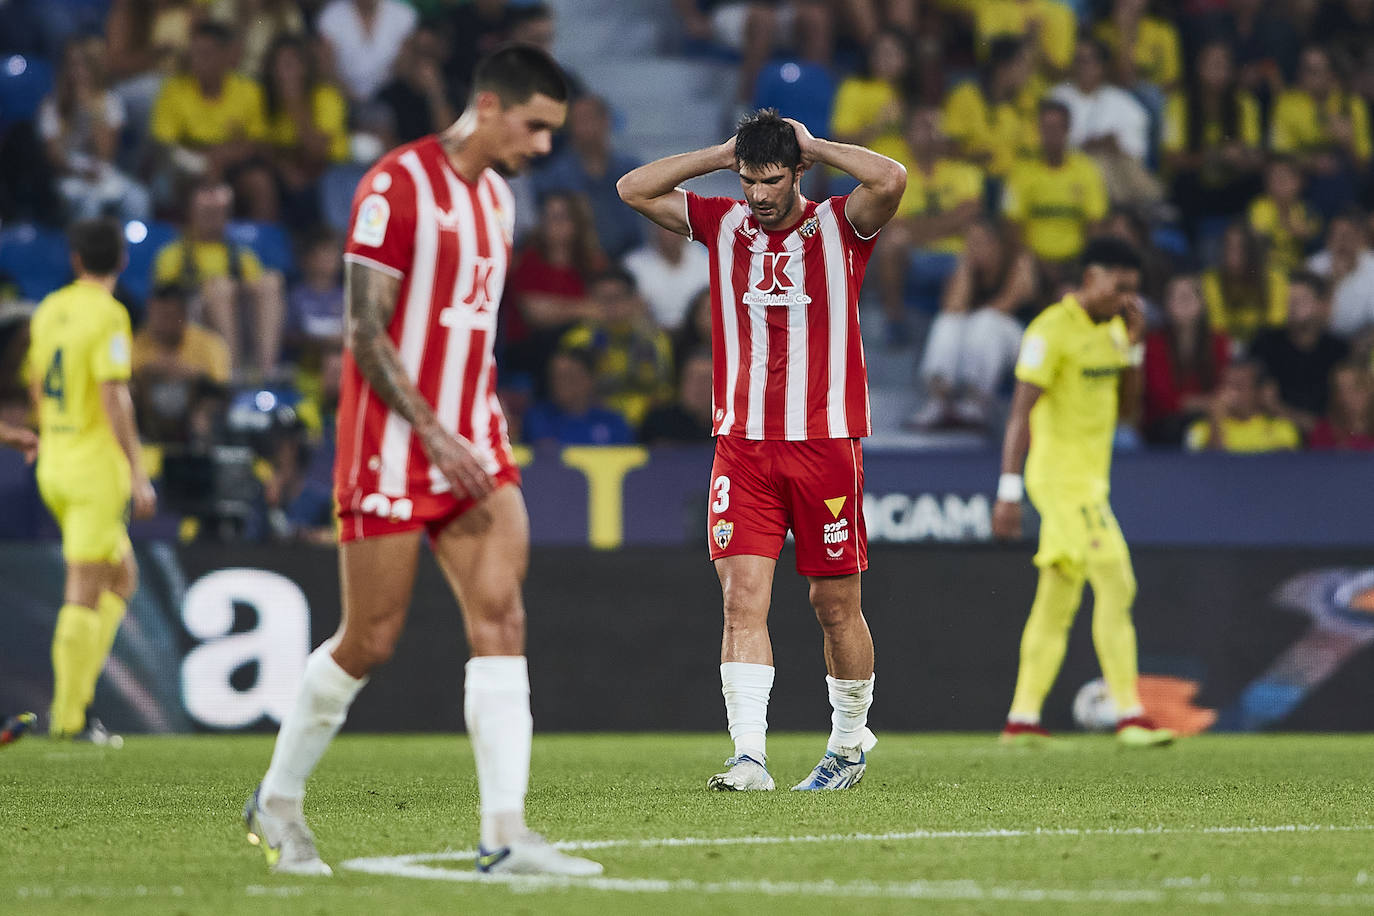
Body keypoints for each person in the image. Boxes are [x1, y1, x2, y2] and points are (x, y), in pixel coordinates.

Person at [242, 44, 600, 879]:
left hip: (473, 440)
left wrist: (469, 430)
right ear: (489, 104)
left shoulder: (501, 202)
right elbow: (364, 333)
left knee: (501, 617)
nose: (544, 146)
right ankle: (279, 797)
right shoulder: (395, 186)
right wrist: (434, 434)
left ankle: (505, 831)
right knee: (370, 639)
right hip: (394, 446)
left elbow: (468, 328)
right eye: (536, 126)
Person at [617, 109, 906, 791]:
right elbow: (633, 188)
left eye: (771, 179)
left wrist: (818, 144)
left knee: (834, 607)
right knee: (741, 601)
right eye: (748, 179)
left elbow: (891, 179)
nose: (758, 194)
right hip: (742, 447)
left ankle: (846, 745)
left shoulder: (840, 224)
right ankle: (749, 757)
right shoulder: (721, 223)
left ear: (799, 171)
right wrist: (717, 155)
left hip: (825, 445)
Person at [991, 236, 1173, 748]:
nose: (1127, 300)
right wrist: (1008, 492)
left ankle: (1021, 719)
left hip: (1093, 482)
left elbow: (1131, 411)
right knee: (1117, 582)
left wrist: (1134, 347)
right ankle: (1130, 715)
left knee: (1057, 601)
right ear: (1090, 278)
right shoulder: (1050, 331)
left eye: (1134, 291)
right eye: (1119, 288)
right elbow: (1020, 414)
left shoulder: (1117, 329)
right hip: (1059, 482)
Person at [25, 219, 157, 744]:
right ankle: (69, 721)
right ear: (121, 262)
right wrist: (139, 470)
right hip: (93, 468)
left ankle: (75, 706)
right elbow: (113, 393)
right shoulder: (110, 314)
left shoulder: (49, 307)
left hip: (54, 460)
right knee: (83, 588)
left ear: (77, 259)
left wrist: (51, 436)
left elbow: (36, 383)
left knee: (122, 578)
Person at [908, 218, 1036, 430]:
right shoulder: (966, 267)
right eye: (970, 242)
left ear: (996, 243)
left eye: (980, 241)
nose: (973, 248)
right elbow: (952, 307)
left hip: (1022, 342)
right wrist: (965, 268)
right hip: (978, 340)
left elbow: (1007, 304)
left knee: (986, 320)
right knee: (948, 322)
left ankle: (976, 402)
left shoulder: (1019, 261)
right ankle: (938, 400)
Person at [152, 180, 286, 377]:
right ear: (191, 213)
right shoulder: (172, 254)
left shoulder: (242, 255)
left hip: (240, 320)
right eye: (206, 212)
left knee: (271, 281)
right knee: (220, 289)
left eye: (218, 212)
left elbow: (254, 290)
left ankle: (267, 369)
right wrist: (213, 287)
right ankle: (231, 370)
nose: (213, 218)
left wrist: (234, 288)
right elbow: (166, 299)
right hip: (192, 319)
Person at [875, 104, 984, 339]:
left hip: (956, 254)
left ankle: (951, 333)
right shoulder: (895, 174)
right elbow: (894, 225)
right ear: (908, 136)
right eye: (923, 127)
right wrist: (948, 225)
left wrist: (922, 228)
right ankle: (894, 320)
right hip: (913, 253)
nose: (931, 132)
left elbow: (970, 214)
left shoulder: (964, 171)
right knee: (892, 240)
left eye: (935, 126)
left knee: (978, 238)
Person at [1162, 40, 1264, 245]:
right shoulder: (1179, 102)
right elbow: (1171, 159)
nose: (1218, 71)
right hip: (1195, 188)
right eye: (1212, 65)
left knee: (1255, 182)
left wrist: (1241, 158)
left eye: (1223, 65)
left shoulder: (1245, 103)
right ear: (1199, 68)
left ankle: (1244, 241)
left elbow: (1256, 156)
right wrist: (1216, 156)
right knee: (1185, 182)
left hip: (1230, 185)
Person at [39, 37, 151, 222]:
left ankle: (129, 250)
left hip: (102, 174)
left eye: (83, 66)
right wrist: (69, 111)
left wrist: (92, 111)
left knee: (138, 198)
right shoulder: (51, 106)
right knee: (89, 204)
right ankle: (86, 250)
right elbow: (54, 158)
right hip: (69, 178)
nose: (78, 73)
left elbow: (106, 153)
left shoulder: (109, 102)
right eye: (73, 66)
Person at [1002, 100, 1109, 286]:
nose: (1050, 135)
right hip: (1033, 261)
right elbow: (1012, 226)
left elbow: (1095, 224)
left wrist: (1081, 262)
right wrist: (1037, 261)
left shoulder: (1087, 171)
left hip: (1075, 261)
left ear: (1067, 129)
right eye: (1045, 128)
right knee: (1022, 269)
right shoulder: (1020, 172)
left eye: (1056, 128)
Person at [556, 269, 675, 430]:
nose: (610, 306)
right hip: (589, 423)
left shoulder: (654, 340)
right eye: (602, 299)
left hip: (644, 425)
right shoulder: (577, 341)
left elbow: (663, 391)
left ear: (633, 301)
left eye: (617, 298)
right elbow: (567, 394)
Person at [1249, 270, 1350, 435]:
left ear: (1321, 305)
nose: (1292, 306)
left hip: (1328, 446)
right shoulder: (1264, 345)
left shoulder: (1339, 351)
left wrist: (1282, 411)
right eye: (1289, 300)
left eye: (1302, 300)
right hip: (1272, 439)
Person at [1142, 274, 1230, 445]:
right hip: (1164, 426)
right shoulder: (1154, 344)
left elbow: (1223, 388)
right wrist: (1208, 403)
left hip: (1208, 420)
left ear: (1202, 303)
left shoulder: (1218, 342)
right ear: (1166, 305)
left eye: (1186, 296)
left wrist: (1212, 405)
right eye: (1173, 296)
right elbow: (1162, 399)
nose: (1180, 302)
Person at [522, 348, 634, 447]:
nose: (560, 383)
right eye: (555, 377)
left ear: (590, 380)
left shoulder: (614, 422)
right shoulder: (537, 418)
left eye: (568, 377)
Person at [1183, 360, 1301, 452]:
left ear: (1256, 392)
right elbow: (1205, 471)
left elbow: (1284, 470)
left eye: (1238, 387)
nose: (1229, 393)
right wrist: (1216, 420)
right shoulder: (1200, 430)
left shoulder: (1281, 430)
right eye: (1226, 385)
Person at [1201, 221, 1287, 346]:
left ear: (1253, 251)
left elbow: (1276, 324)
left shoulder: (1274, 278)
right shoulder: (1211, 279)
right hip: (1226, 348)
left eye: (1241, 247)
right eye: (1228, 246)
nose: (1232, 254)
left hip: (1266, 346)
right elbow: (1217, 327)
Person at [316, 0, 418, 104]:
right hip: (342, 95)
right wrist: (351, 98)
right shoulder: (330, 16)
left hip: (392, 96)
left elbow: (406, 64)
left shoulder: (404, 14)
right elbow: (326, 67)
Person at [622, 222, 711, 333]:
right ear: (651, 229)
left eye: (673, 227)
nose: (669, 234)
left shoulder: (706, 256)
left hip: (699, 335)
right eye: (663, 228)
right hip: (655, 335)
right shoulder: (633, 265)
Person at [1248, 156, 1321, 274]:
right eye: (1273, 178)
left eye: (1284, 178)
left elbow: (1314, 241)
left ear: (1298, 182)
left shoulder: (1307, 209)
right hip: (1267, 271)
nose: (1279, 183)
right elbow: (1257, 240)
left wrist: (1302, 233)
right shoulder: (1260, 206)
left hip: (1299, 270)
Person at [640, 347, 715, 444]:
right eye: (692, 379)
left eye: (705, 380)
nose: (699, 387)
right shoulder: (658, 423)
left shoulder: (730, 428)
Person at [1308, 361, 1374, 451]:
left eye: (1355, 388)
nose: (1346, 397)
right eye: (1340, 390)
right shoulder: (1324, 431)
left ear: (1370, 389)